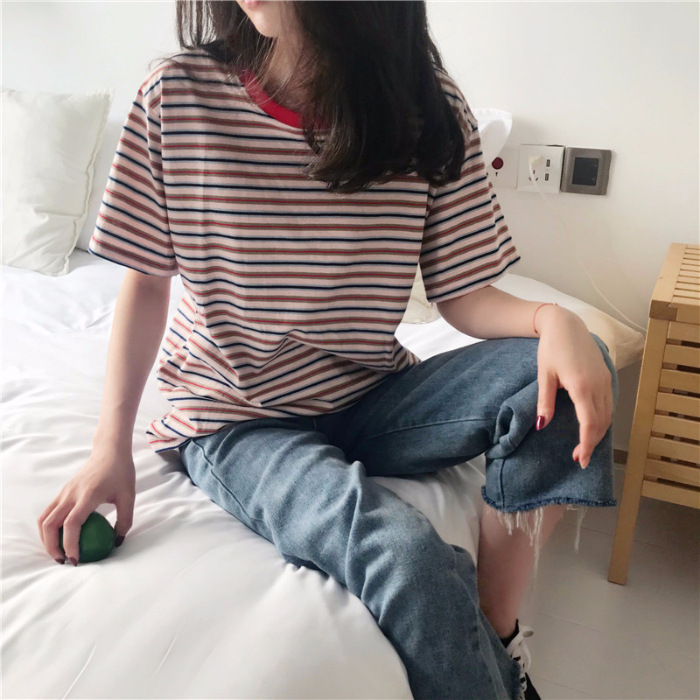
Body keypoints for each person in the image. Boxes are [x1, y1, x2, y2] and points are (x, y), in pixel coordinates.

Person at [37, 2, 618, 698]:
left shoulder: (425, 106)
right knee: (409, 560)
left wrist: (552, 319)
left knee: (569, 364)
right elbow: (145, 284)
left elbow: (463, 292)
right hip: (238, 418)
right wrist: (110, 446)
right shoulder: (177, 98)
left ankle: (498, 631)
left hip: (372, 395)